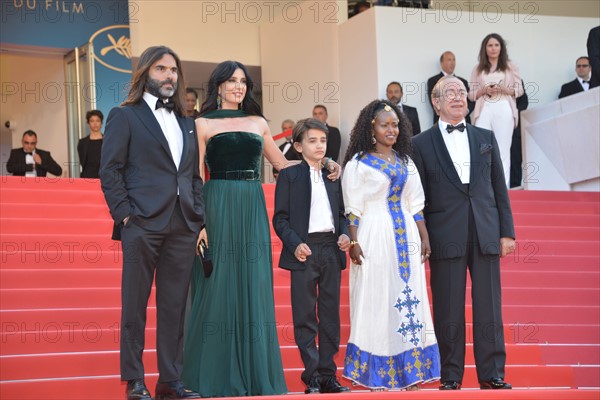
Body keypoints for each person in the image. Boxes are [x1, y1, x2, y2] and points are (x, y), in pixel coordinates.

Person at [182, 61, 341, 397]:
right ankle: (212, 375)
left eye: (243, 81)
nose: (238, 86)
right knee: (217, 287)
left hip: (252, 207)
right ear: (219, 86)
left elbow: (282, 164)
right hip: (218, 205)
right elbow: (195, 175)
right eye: (231, 81)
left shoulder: (258, 122)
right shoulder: (202, 123)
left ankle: (254, 374)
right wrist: (199, 223)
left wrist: (322, 161)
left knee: (252, 285)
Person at [99, 46, 204, 400]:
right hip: (142, 222)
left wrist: (198, 217)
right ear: (146, 73)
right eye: (161, 69)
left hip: (182, 225)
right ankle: (135, 380)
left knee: (175, 307)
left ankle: (170, 381)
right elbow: (110, 170)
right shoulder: (124, 116)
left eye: (173, 70)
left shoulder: (187, 123)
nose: (169, 76)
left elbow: (192, 176)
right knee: (135, 305)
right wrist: (126, 214)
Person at [412, 75, 515, 391]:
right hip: (445, 234)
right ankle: (451, 374)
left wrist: (506, 232)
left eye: (461, 92)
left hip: (485, 230)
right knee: (447, 307)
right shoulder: (419, 143)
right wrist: (423, 237)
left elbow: (499, 187)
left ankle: (492, 373)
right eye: (449, 93)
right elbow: (417, 196)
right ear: (435, 102)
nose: (457, 97)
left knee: (489, 306)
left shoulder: (485, 137)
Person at [341, 99, 440, 391]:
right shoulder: (358, 163)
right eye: (385, 124)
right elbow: (353, 208)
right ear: (371, 127)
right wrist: (354, 241)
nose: (391, 130)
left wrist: (424, 236)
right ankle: (377, 375)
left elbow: (416, 203)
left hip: (406, 237)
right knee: (375, 298)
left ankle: (410, 374)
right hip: (373, 236)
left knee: (409, 298)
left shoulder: (405, 161)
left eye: (395, 124)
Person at [272, 118, 351, 395]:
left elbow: (340, 214)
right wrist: (294, 244)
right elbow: (280, 219)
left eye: (323, 141)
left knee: (330, 315)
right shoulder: (290, 176)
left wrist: (345, 235)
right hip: (303, 251)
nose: (319, 146)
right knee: (305, 316)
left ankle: (329, 374)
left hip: (330, 248)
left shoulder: (333, 175)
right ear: (297, 145)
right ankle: (312, 375)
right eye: (312, 141)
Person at [469, 33, 523, 188]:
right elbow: (471, 95)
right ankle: (483, 188)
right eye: (490, 45)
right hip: (484, 108)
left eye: (496, 45)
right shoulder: (478, 69)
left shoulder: (511, 66)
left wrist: (506, 89)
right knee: (481, 149)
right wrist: (483, 90)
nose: (493, 48)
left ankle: (502, 189)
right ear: (485, 48)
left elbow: (519, 90)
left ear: (501, 47)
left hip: (504, 107)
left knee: (502, 150)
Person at [427, 51, 473, 124]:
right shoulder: (433, 81)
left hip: (463, 121)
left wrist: (464, 112)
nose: (452, 63)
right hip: (442, 122)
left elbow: (471, 100)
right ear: (441, 63)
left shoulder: (463, 81)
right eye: (449, 60)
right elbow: (434, 102)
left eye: (454, 60)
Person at [77, 109, 104, 178]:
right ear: (88, 123)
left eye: (97, 120)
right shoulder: (82, 143)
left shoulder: (108, 141)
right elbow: (82, 162)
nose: (95, 124)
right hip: (87, 177)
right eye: (92, 121)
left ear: (101, 123)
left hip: (104, 177)